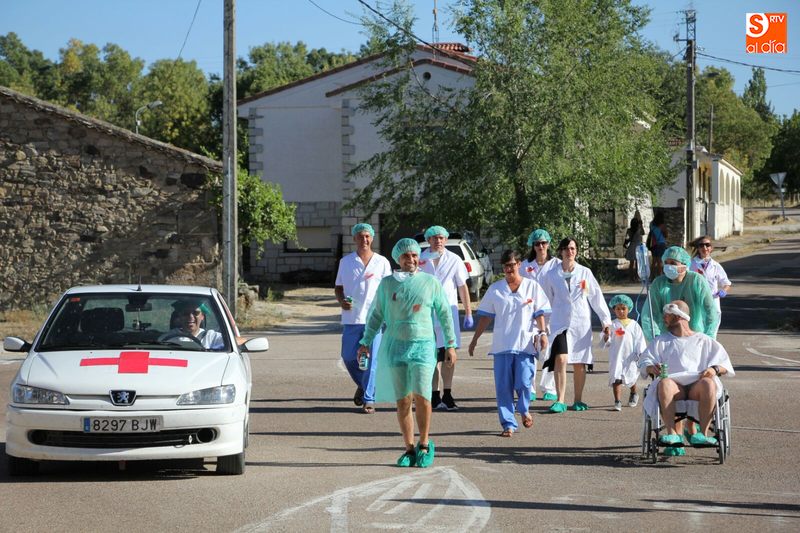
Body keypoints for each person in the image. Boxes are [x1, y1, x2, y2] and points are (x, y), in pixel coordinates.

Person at [357, 238, 457, 468]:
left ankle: (424, 444)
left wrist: (450, 344)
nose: (410, 259)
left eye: (414, 255)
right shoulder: (387, 284)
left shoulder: (430, 283)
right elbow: (376, 315)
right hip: (395, 347)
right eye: (406, 256)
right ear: (398, 258)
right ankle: (408, 448)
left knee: (422, 396)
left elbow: (444, 314)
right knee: (403, 400)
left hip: (423, 347)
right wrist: (366, 340)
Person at [468, 250, 550, 437]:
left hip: (524, 344)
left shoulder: (532, 287)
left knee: (524, 380)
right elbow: (485, 317)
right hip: (502, 345)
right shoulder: (495, 289)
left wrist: (543, 333)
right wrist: (474, 339)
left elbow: (539, 313)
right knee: (503, 387)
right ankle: (508, 424)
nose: (509, 269)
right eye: (505, 266)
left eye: (512, 265)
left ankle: (523, 408)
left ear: (519, 264)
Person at [639, 300, 734, 456]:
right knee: (664, 383)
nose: (664, 318)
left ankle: (702, 434)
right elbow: (645, 361)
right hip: (674, 388)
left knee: (709, 384)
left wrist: (714, 369)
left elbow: (724, 364)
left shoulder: (703, 340)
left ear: (678, 316)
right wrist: (650, 367)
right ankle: (672, 435)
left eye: (667, 315)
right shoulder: (661, 341)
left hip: (697, 386)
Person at [539, 237, 612, 413]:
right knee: (561, 358)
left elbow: (596, 298)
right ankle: (560, 399)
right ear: (560, 252)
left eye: (572, 248)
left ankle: (578, 400)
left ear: (576, 251)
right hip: (559, 323)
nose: (569, 252)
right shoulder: (551, 274)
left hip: (580, 323)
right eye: (565, 249)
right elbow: (545, 300)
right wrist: (542, 326)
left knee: (579, 362)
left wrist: (606, 321)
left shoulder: (585, 272)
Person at [334, 223, 392, 414]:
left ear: (372, 238)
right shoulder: (346, 262)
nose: (364, 240)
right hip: (352, 318)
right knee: (349, 357)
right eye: (360, 236)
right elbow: (339, 287)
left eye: (367, 236)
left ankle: (369, 398)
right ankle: (363, 383)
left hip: (375, 318)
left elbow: (389, 288)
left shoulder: (382, 262)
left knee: (372, 360)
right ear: (354, 239)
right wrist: (342, 301)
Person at [419, 225, 473, 411]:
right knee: (432, 356)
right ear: (428, 240)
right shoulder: (420, 259)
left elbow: (462, 286)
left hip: (447, 313)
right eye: (434, 238)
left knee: (449, 355)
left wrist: (468, 312)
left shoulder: (454, 259)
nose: (438, 241)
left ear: (445, 239)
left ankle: (448, 394)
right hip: (425, 314)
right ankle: (434, 395)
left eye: (441, 238)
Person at [641, 246, 719, 342]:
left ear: (684, 265)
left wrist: (708, 339)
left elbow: (710, 312)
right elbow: (649, 314)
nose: (668, 266)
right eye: (666, 263)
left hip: (694, 337)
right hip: (668, 339)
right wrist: (655, 338)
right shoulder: (659, 283)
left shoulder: (696, 281)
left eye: (673, 263)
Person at [520, 228, 559, 402]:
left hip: (553, 313)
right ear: (533, 246)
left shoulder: (557, 264)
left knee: (549, 351)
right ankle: (530, 387)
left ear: (548, 244)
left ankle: (548, 387)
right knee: (531, 350)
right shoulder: (525, 266)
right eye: (537, 244)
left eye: (543, 243)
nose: (541, 246)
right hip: (530, 313)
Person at [602, 295, 646, 411]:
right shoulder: (612, 325)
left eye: (623, 308)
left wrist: (640, 353)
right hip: (617, 356)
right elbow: (607, 342)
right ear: (614, 310)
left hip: (630, 356)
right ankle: (617, 401)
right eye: (618, 309)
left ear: (629, 309)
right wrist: (606, 335)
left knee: (631, 377)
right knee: (616, 378)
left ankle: (633, 393)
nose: (621, 311)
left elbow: (639, 340)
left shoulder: (634, 325)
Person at [689, 236, 732, 337]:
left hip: (713, 300)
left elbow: (726, 283)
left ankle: (711, 347)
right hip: (696, 300)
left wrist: (724, 291)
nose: (705, 248)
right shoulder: (691, 264)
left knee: (712, 328)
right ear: (698, 248)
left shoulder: (716, 265)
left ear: (711, 248)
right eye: (701, 245)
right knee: (697, 329)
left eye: (707, 245)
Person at [623, 215, 644, 281]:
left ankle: (631, 278)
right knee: (638, 263)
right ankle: (637, 277)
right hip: (638, 247)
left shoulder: (629, 230)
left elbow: (627, 239)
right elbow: (643, 233)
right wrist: (641, 224)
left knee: (631, 263)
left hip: (632, 246)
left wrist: (625, 244)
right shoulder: (639, 230)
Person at [648, 212, 668, 277]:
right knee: (660, 261)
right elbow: (666, 235)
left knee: (654, 261)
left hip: (653, 245)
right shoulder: (662, 225)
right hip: (661, 244)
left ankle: (652, 276)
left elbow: (651, 233)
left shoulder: (651, 224)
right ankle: (659, 276)